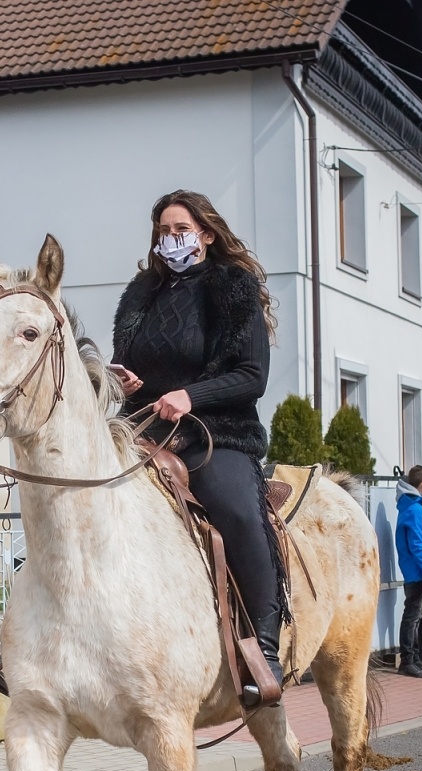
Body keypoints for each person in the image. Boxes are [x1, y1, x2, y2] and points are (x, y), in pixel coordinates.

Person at [110, 190, 285, 704]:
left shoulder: (233, 286)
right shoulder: (141, 292)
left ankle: (264, 645)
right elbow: (127, 361)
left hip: (217, 431)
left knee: (234, 508)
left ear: (206, 234)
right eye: (162, 231)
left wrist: (191, 395)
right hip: (143, 427)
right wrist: (121, 380)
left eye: (179, 229)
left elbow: (252, 376)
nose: (170, 239)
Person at [394, 466, 422, 678]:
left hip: (414, 571)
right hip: (416, 572)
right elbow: (418, 545)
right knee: (412, 616)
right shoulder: (414, 509)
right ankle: (408, 660)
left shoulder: (410, 507)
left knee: (415, 615)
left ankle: (415, 658)